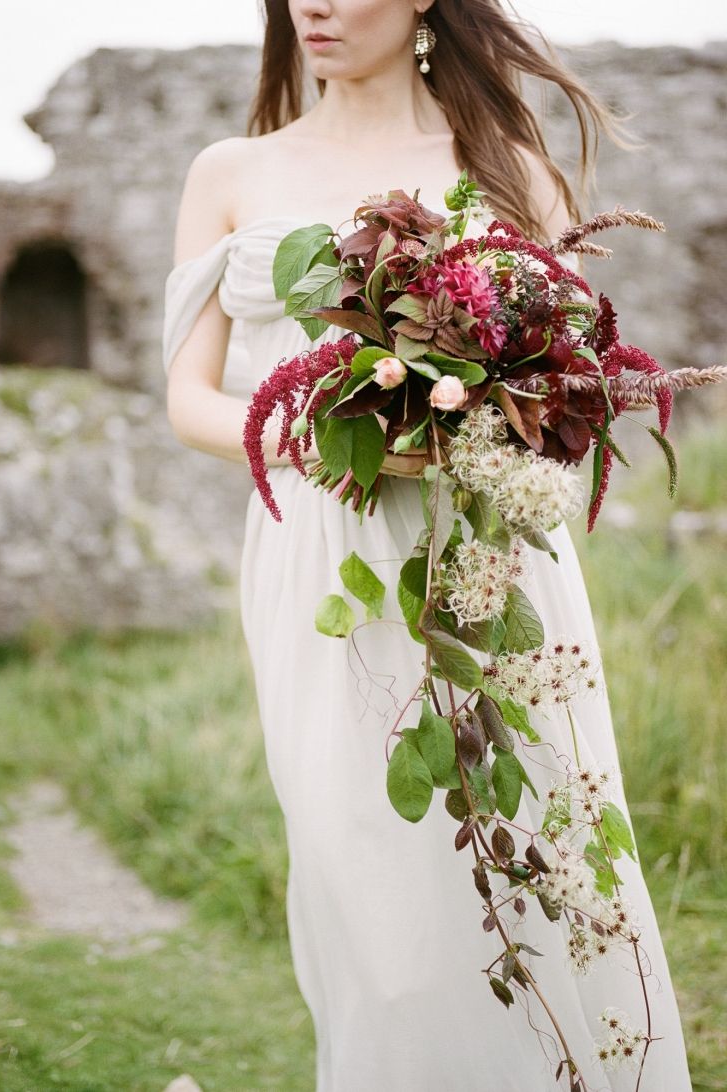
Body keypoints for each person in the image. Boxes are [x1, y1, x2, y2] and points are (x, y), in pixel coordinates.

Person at [162, 2, 694, 1088]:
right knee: (365, 878)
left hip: (492, 560)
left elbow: (566, 392)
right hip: (321, 559)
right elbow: (186, 400)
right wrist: (313, 437)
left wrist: (470, 418)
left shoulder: (509, 172)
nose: (311, 4)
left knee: (541, 843)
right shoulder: (229, 169)